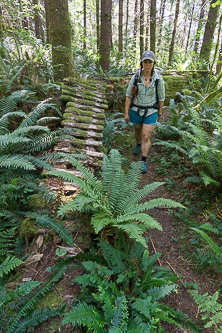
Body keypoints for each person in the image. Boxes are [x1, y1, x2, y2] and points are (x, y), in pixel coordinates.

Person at [125, 50, 165, 173]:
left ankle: (143, 160)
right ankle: (138, 144)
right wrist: (126, 113)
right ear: (142, 63)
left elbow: (162, 98)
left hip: (151, 111)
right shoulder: (135, 78)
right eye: (145, 62)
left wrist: (159, 113)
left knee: (146, 135)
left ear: (153, 63)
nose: (147, 64)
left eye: (150, 62)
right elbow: (128, 95)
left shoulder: (158, 79)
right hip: (136, 110)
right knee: (138, 131)